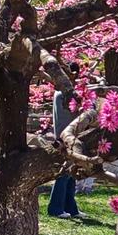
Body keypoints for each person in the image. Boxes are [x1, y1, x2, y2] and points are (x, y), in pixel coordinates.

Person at [47, 83, 81, 220]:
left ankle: (71, 208)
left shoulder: (58, 93)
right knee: (64, 173)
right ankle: (56, 208)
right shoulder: (65, 95)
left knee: (71, 172)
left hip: (67, 136)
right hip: (66, 137)